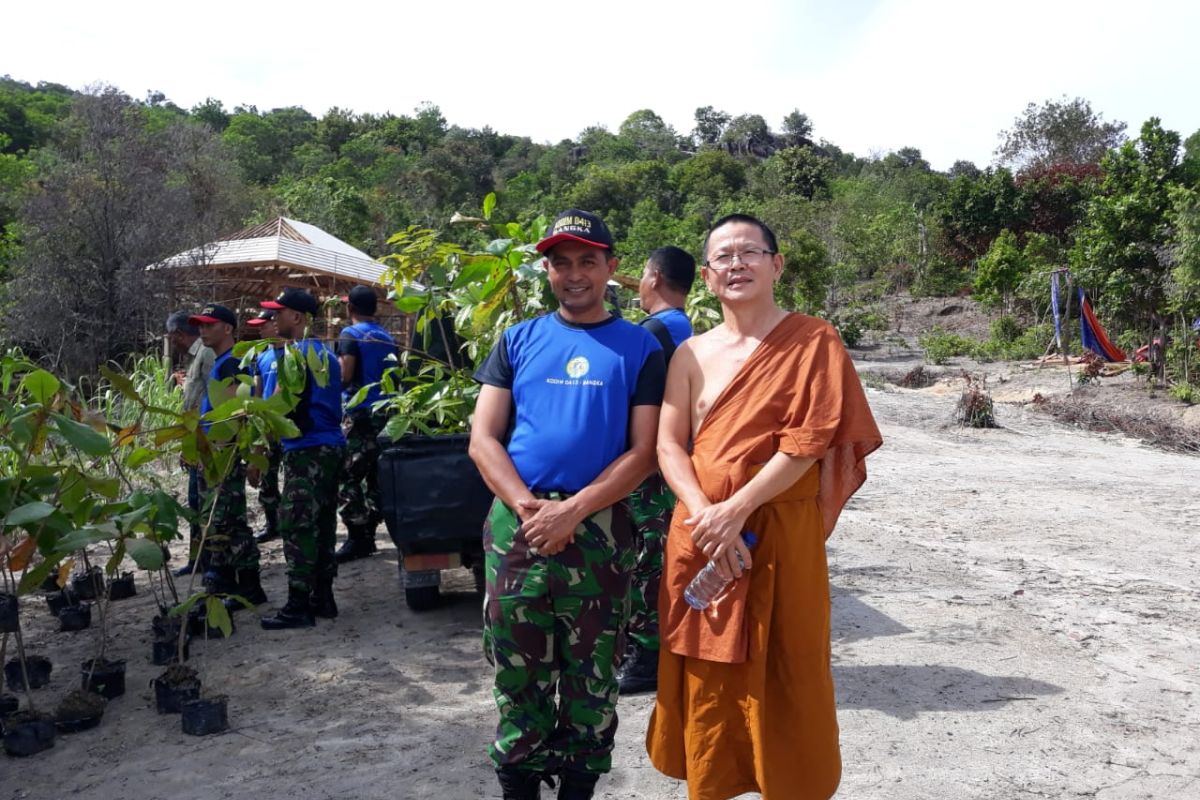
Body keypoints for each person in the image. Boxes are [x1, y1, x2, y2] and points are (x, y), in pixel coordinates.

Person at [645, 214, 882, 800]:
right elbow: (668, 444)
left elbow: (809, 440)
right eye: (723, 257)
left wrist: (737, 509)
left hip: (777, 530)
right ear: (705, 275)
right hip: (701, 533)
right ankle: (714, 781)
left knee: (788, 661)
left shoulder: (812, 341)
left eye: (749, 252)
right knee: (709, 672)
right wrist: (707, 513)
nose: (736, 265)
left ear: (777, 265)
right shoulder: (690, 355)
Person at [469, 209, 666, 800]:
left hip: (600, 529)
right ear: (547, 270)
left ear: (611, 266)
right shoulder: (517, 339)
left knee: (594, 670)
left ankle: (580, 784)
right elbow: (484, 438)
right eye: (560, 262)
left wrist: (574, 510)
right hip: (516, 529)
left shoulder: (641, 347)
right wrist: (530, 508)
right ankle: (519, 783)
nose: (573, 274)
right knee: (515, 666)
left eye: (587, 260)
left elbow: (646, 451)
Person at [615, 246, 696, 694]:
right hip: (672, 460)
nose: (640, 284)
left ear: (656, 278)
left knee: (648, 560)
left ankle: (647, 656)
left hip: (653, 470)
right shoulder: (682, 328)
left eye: (644, 275)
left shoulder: (654, 332)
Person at [256, 288, 346, 630]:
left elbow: (276, 407)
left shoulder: (293, 356)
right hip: (330, 447)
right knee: (322, 523)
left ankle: (298, 604)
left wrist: (259, 446)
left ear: (297, 317)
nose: (273, 319)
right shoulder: (324, 354)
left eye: (278, 313)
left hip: (305, 448)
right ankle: (323, 597)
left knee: (296, 526)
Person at [186, 303, 266, 609]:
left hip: (222, 455)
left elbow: (232, 415)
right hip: (213, 455)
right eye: (200, 326)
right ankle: (234, 583)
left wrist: (215, 448)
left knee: (227, 521)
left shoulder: (232, 363)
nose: (203, 331)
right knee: (220, 521)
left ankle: (244, 584)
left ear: (228, 329)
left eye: (209, 325)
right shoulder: (223, 362)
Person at [334, 285, 399, 563]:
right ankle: (370, 529)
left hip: (360, 415)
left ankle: (358, 536)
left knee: (346, 476)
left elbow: (345, 376)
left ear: (350, 308)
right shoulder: (387, 337)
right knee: (376, 476)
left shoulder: (350, 334)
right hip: (387, 414)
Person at [166, 311, 214, 577]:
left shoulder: (206, 356)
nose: (173, 343)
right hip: (195, 441)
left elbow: (211, 400)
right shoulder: (194, 358)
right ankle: (198, 560)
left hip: (205, 441)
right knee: (195, 501)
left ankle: (206, 560)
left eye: (173, 338)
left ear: (179, 335)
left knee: (203, 502)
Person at [247, 309, 284, 544]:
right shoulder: (261, 357)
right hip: (267, 426)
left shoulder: (292, 354)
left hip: (287, 425)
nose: (260, 329)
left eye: (264, 324)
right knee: (267, 477)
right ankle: (273, 524)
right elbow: (259, 393)